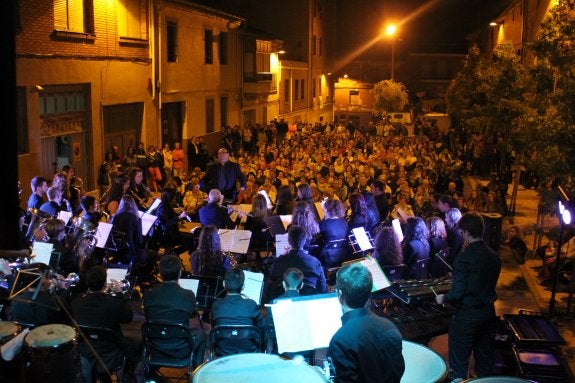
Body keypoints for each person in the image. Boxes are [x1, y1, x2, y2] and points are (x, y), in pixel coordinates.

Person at [435, 212, 501, 382]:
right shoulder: (494, 257)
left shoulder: (463, 259)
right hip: (488, 313)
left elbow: (458, 293)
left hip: (467, 316)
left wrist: (443, 298)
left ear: (465, 232)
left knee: (459, 365)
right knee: (484, 361)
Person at [328, 262, 405, 383]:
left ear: (340, 294)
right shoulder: (390, 327)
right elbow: (397, 371)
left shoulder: (340, 340)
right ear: (369, 292)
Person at [71, 265, 137, 380]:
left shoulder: (77, 302)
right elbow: (128, 317)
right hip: (110, 350)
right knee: (135, 343)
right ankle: (128, 375)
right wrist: (120, 294)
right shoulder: (113, 303)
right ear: (104, 284)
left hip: (86, 348)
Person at [143, 255, 206, 369]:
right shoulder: (188, 295)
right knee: (202, 334)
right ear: (179, 273)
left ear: (160, 273)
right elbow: (192, 314)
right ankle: (196, 372)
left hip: (155, 348)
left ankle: (150, 373)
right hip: (181, 350)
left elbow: (149, 318)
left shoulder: (148, 294)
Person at [210, 268, 266, 356]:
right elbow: (262, 326)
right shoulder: (251, 304)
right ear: (243, 286)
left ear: (224, 284)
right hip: (249, 351)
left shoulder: (216, 305)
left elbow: (214, 326)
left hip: (223, 351)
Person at [266, 225, 326, 302]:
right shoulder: (315, 262)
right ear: (304, 241)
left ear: (288, 241)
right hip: (309, 301)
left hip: (283, 302)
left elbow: (270, 284)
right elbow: (323, 289)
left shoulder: (279, 261)